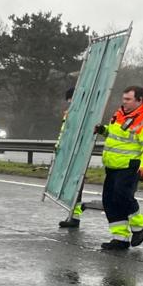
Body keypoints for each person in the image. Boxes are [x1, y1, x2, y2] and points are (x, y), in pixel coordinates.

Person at [93, 86, 143, 251]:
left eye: (128, 99)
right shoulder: (119, 114)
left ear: (140, 100)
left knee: (123, 197)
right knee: (109, 201)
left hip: (130, 165)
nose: (124, 102)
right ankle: (120, 238)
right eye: (124, 99)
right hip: (112, 165)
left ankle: (139, 227)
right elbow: (115, 136)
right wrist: (103, 130)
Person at [54, 87, 83, 228]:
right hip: (68, 152)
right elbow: (64, 132)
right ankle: (73, 216)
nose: (70, 103)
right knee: (70, 185)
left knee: (76, 185)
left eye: (71, 100)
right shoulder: (69, 114)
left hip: (78, 153)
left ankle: (74, 216)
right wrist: (59, 146)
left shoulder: (84, 113)